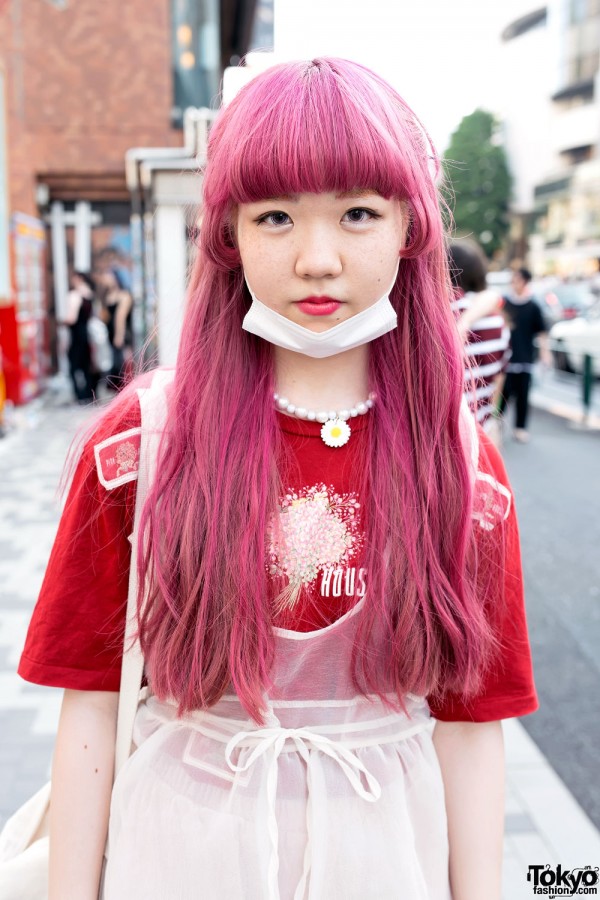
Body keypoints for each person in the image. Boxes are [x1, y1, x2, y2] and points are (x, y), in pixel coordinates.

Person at [18, 58, 537, 900]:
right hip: (180, 857)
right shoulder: (144, 443)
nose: (318, 258)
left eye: (358, 213)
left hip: (384, 860)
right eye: (276, 217)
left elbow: (473, 728)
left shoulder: (463, 467)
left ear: (411, 228)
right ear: (230, 236)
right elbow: (89, 706)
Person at [448, 239, 510, 439]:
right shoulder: (497, 322)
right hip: (480, 435)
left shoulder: (434, 315)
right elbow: (498, 381)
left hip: (443, 438)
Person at [498, 267, 552, 443]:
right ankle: (496, 424)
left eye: (518, 279)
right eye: (513, 279)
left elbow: (542, 332)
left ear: (525, 282)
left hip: (525, 357)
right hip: (505, 357)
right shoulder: (504, 302)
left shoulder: (533, 305)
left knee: (523, 395)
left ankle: (520, 428)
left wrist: (545, 353)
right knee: (502, 394)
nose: (515, 283)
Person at [62, 271, 95, 404]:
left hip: (76, 335)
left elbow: (72, 318)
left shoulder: (75, 295)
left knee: (73, 367)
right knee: (86, 365)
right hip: (86, 333)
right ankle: (89, 392)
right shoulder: (89, 293)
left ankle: (79, 395)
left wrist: (62, 322)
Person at [98, 268, 133, 391]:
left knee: (122, 364)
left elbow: (120, 317)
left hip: (121, 334)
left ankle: (124, 389)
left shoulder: (124, 295)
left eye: (108, 276)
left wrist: (119, 335)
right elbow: (104, 317)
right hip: (110, 333)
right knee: (114, 362)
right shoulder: (107, 296)